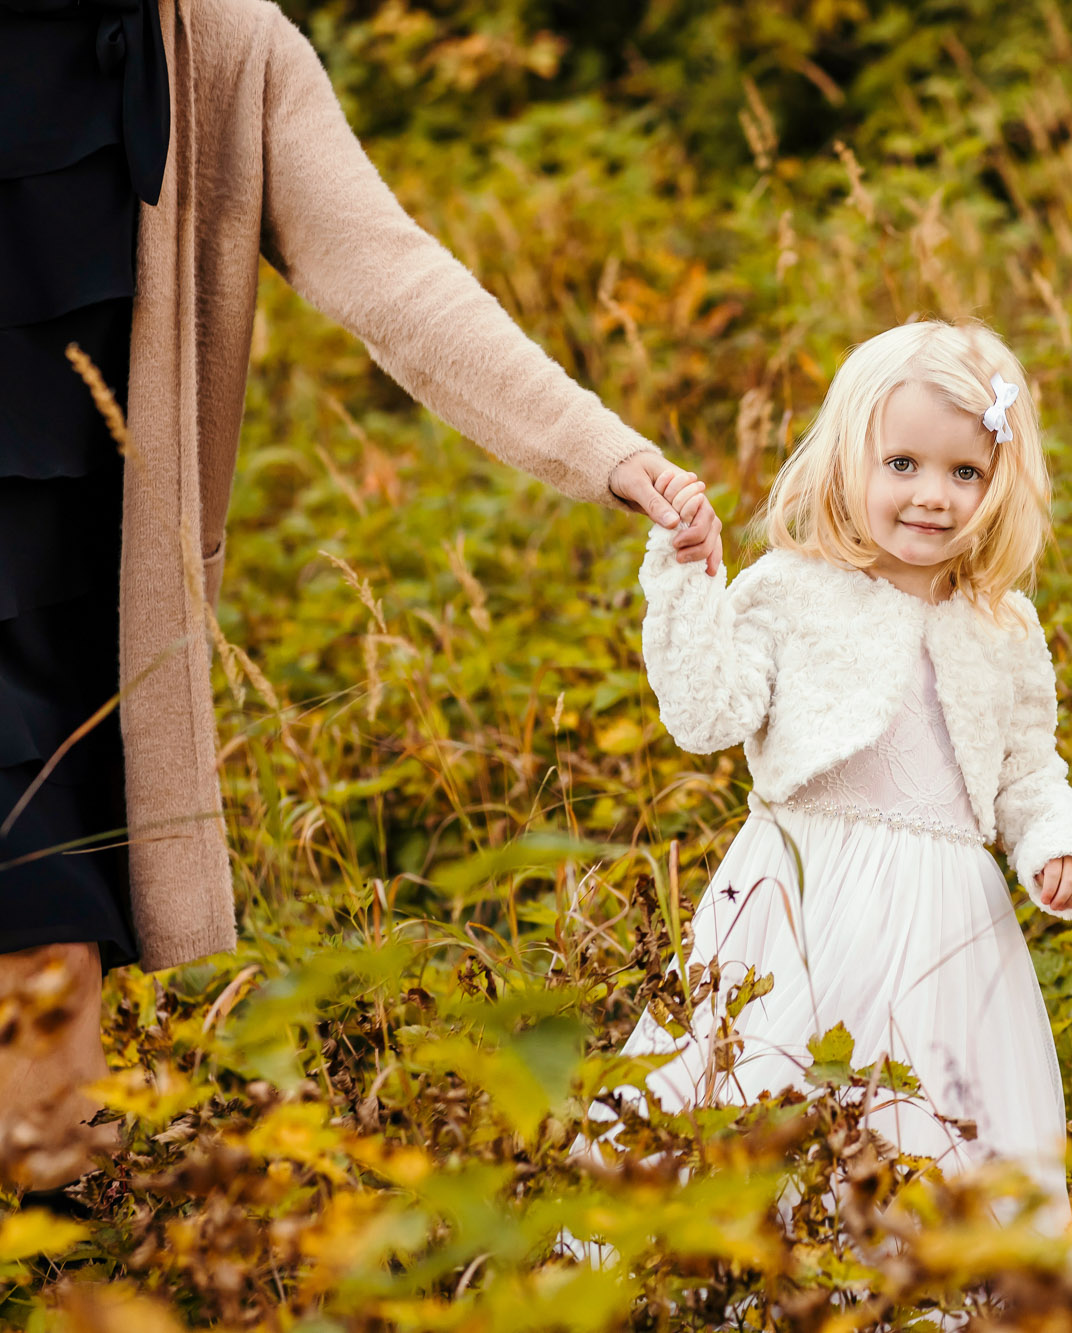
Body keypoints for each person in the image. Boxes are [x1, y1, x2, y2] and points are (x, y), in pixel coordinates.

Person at [0, 0, 719, 1199]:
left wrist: (601, 450)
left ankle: (61, 1252)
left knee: (45, 918)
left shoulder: (223, 52)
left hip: (81, 614)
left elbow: (387, 268)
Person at [576, 320, 1072, 1236]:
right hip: (799, 909)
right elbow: (707, 716)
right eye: (901, 463)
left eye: (964, 472)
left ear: (998, 484)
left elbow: (1028, 769)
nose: (932, 495)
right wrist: (691, 582)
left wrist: (1055, 842)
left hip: (950, 934)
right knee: (763, 1117)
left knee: (935, 1151)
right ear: (847, 461)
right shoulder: (792, 590)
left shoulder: (1003, 626)